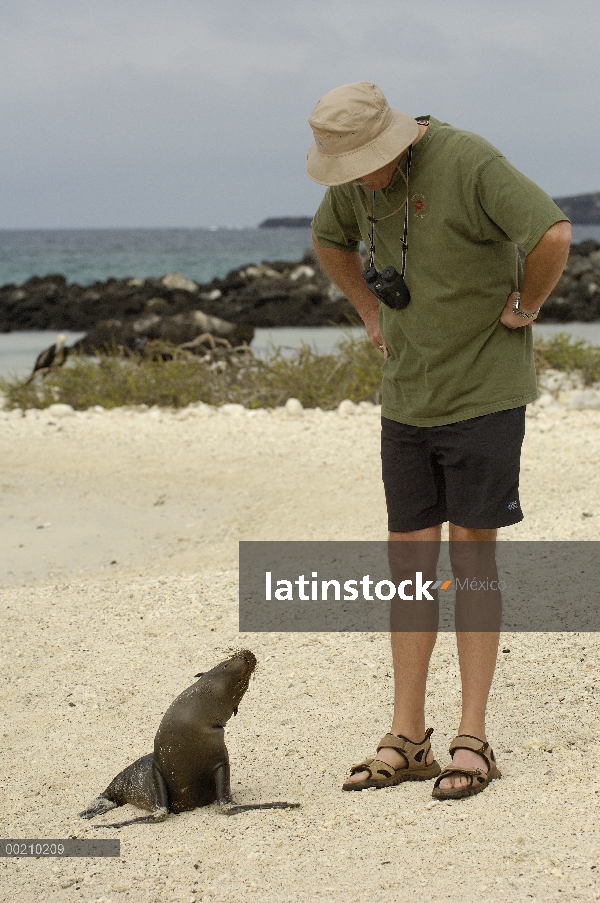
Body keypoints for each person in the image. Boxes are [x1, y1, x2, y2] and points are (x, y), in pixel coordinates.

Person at [306, 81, 571, 799]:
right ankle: (408, 735)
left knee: (471, 553)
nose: (357, 178)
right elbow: (327, 238)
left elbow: (552, 230)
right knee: (410, 560)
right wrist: (368, 308)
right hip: (407, 397)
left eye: (365, 161)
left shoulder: (469, 158)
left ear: (393, 139)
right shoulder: (353, 185)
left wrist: (528, 304)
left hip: (484, 391)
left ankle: (472, 734)